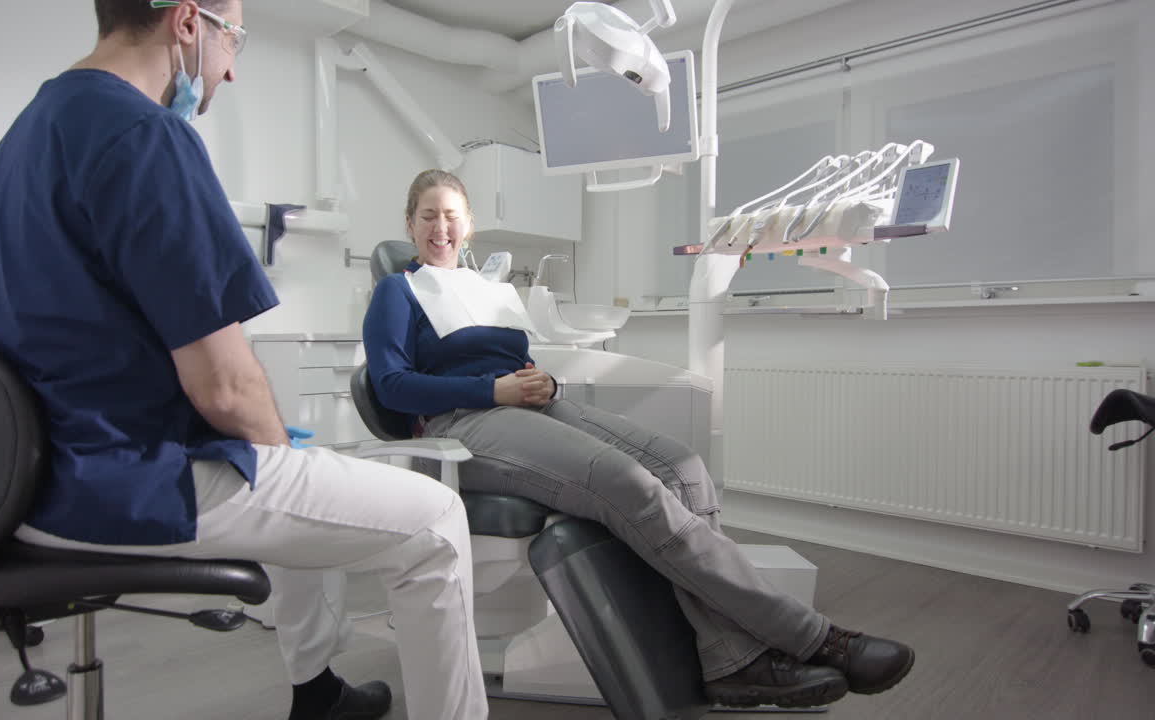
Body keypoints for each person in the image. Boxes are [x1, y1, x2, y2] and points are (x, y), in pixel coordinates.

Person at [0, 3, 488, 719]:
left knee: (285, 475)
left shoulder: (22, 138)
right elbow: (226, 384)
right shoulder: (147, 135)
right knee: (435, 524)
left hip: (28, 484)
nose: (233, 66)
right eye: (233, 39)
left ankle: (317, 692)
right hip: (124, 481)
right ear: (189, 22)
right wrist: (280, 455)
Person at [363, 169, 917, 709]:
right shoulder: (397, 291)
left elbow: (520, 363)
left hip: (531, 404)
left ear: (470, 226)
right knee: (628, 483)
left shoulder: (491, 290)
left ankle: (729, 657)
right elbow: (391, 387)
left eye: (451, 216)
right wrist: (493, 390)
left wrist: (544, 381)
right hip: (464, 425)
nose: (441, 227)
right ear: (409, 225)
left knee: (684, 466)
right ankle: (815, 638)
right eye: (428, 216)